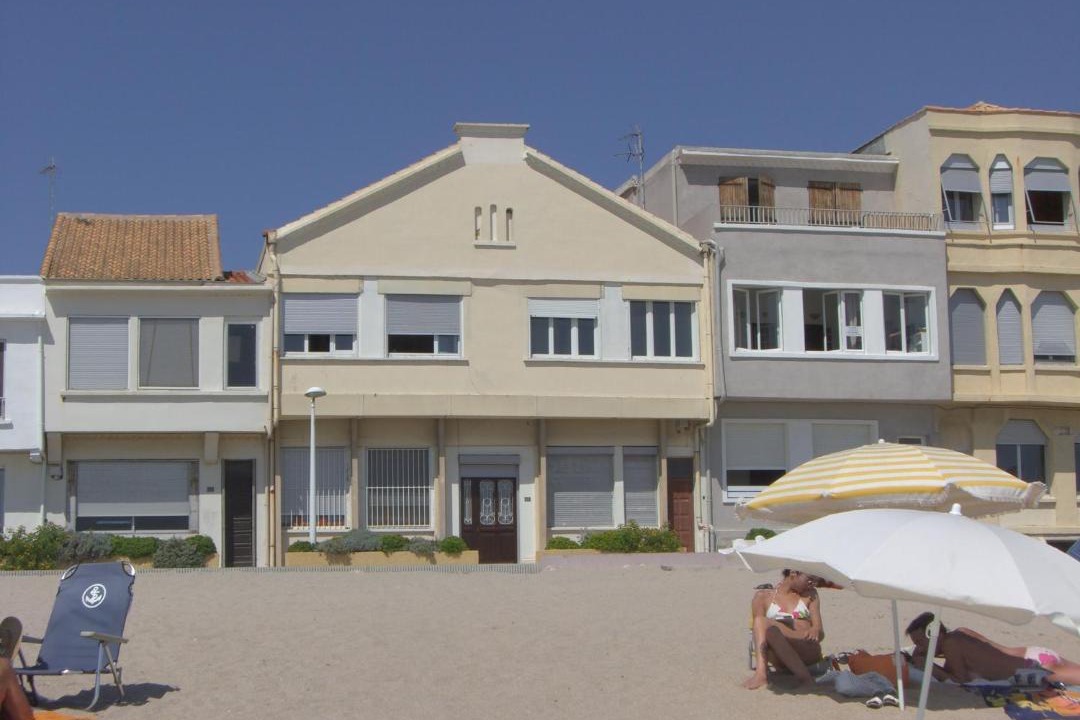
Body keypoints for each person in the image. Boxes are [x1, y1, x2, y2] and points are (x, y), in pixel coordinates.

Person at [906, 611, 1080, 686]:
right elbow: (975, 658)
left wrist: (928, 666)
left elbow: (960, 680)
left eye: (920, 642)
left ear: (934, 634)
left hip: (1030, 669)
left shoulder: (950, 644)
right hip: (1034, 654)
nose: (919, 647)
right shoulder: (961, 633)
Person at [743, 569, 825, 689]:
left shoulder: (810, 595)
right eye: (810, 579)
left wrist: (815, 630)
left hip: (806, 649)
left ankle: (761, 676)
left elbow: (820, 634)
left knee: (765, 624)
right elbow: (758, 634)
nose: (813, 584)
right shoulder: (763, 597)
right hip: (779, 656)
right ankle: (762, 675)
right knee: (766, 628)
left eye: (816, 581)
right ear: (793, 573)